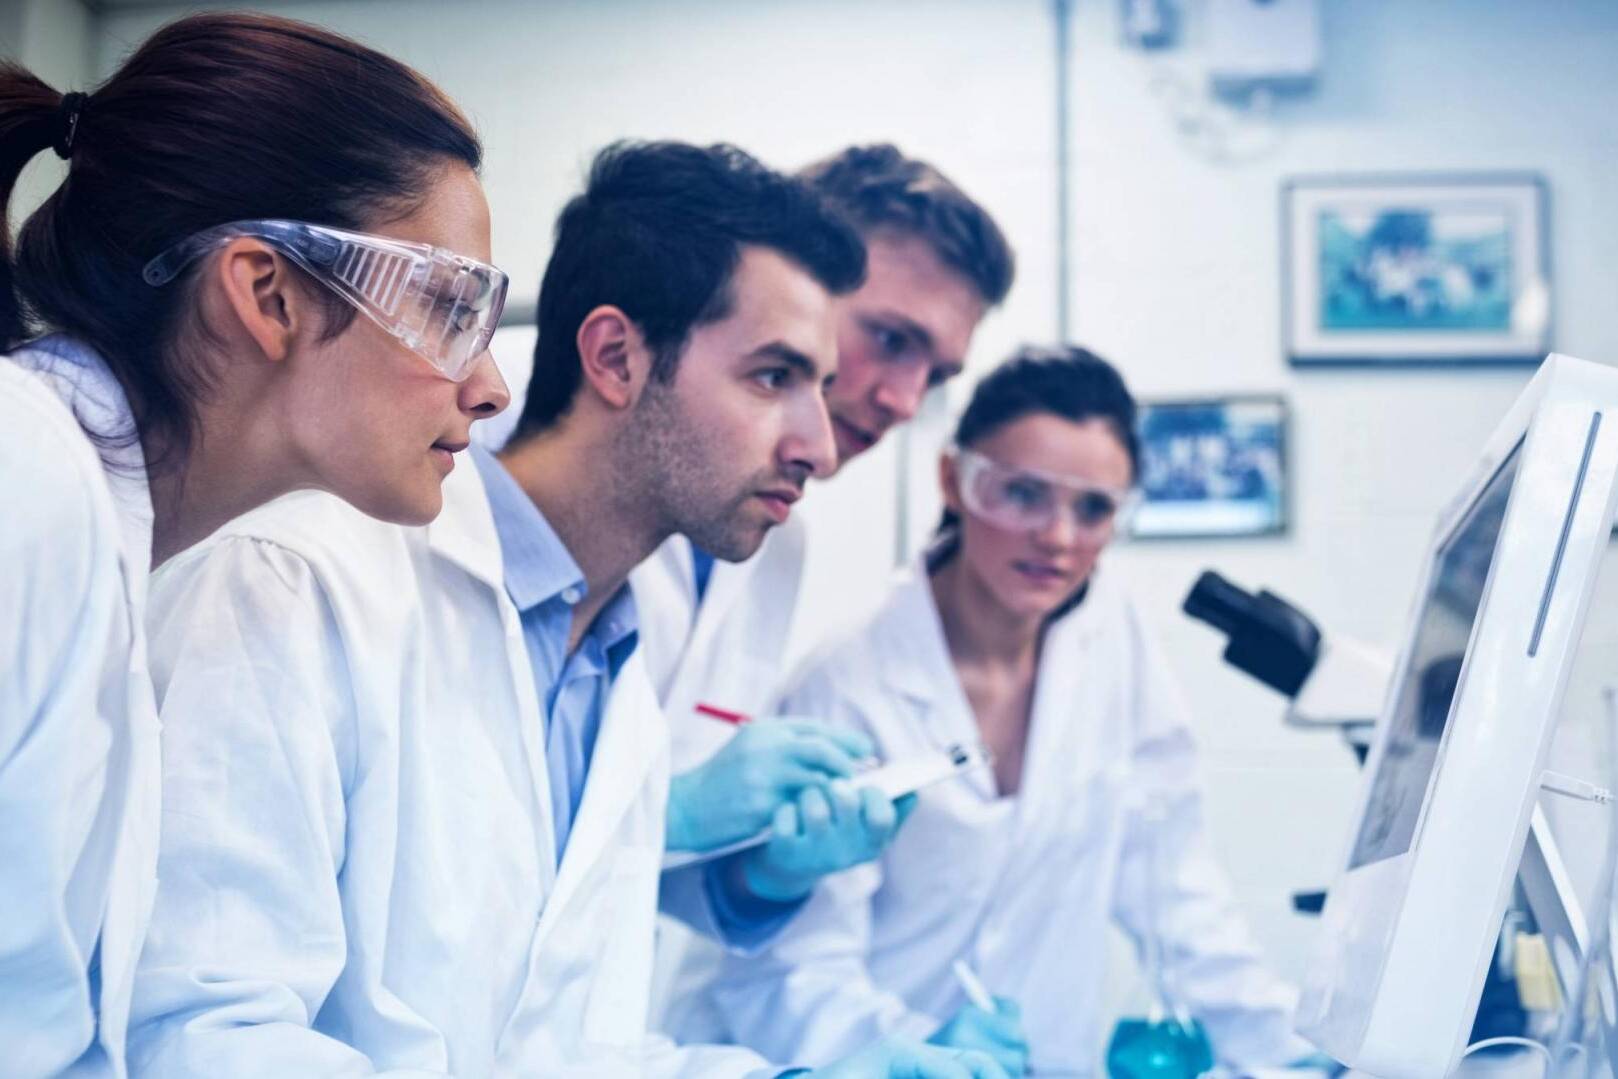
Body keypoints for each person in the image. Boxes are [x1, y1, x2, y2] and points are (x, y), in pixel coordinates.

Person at [128, 138, 1004, 1079]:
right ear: (616, 357)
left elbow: (561, 1043)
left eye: (820, 388)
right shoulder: (294, 580)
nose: (821, 447)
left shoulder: (610, 663)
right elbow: (203, 1034)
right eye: (773, 377)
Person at [0, 12, 509, 1077]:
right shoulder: (25, 476)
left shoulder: (107, 540)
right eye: (450, 303)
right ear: (267, 294)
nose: (489, 383)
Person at [708, 348, 1317, 1075]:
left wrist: (1301, 1055)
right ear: (953, 481)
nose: (1059, 537)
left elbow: (1177, 896)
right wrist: (919, 1052)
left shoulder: (1116, 647)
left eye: (1093, 508)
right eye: (1024, 493)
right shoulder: (845, 683)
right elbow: (791, 971)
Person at [640, 145, 1017, 1043]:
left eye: (937, 373)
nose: (902, 397)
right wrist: (672, 804)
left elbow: (626, 885)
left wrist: (762, 876)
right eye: (892, 338)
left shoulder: (771, 544)